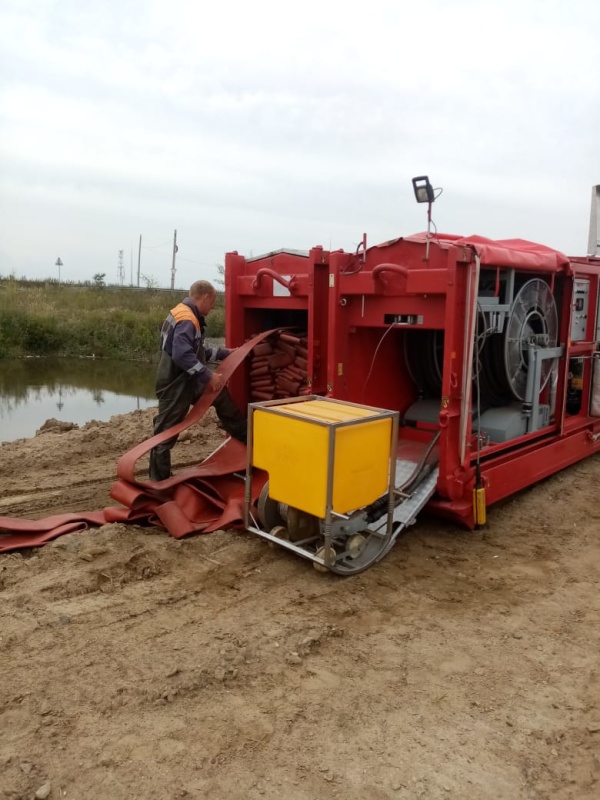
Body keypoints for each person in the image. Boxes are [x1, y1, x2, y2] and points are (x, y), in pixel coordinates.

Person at [148, 280, 247, 481]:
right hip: (175, 384)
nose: (212, 308)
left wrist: (225, 354)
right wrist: (208, 376)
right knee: (166, 432)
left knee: (221, 397)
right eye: (213, 303)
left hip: (187, 380)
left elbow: (197, 350)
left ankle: (247, 442)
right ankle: (159, 481)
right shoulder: (187, 319)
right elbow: (182, 355)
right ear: (206, 297)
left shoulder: (183, 312)